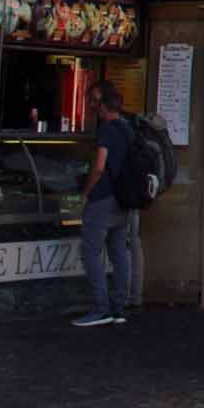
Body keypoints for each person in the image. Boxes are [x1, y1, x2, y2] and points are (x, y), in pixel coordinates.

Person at [72, 80, 135, 327]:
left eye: (94, 101)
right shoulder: (129, 128)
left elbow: (99, 167)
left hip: (103, 198)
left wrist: (85, 193)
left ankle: (100, 308)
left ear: (103, 104)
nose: (91, 106)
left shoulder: (107, 130)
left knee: (91, 252)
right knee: (120, 252)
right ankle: (119, 307)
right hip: (123, 199)